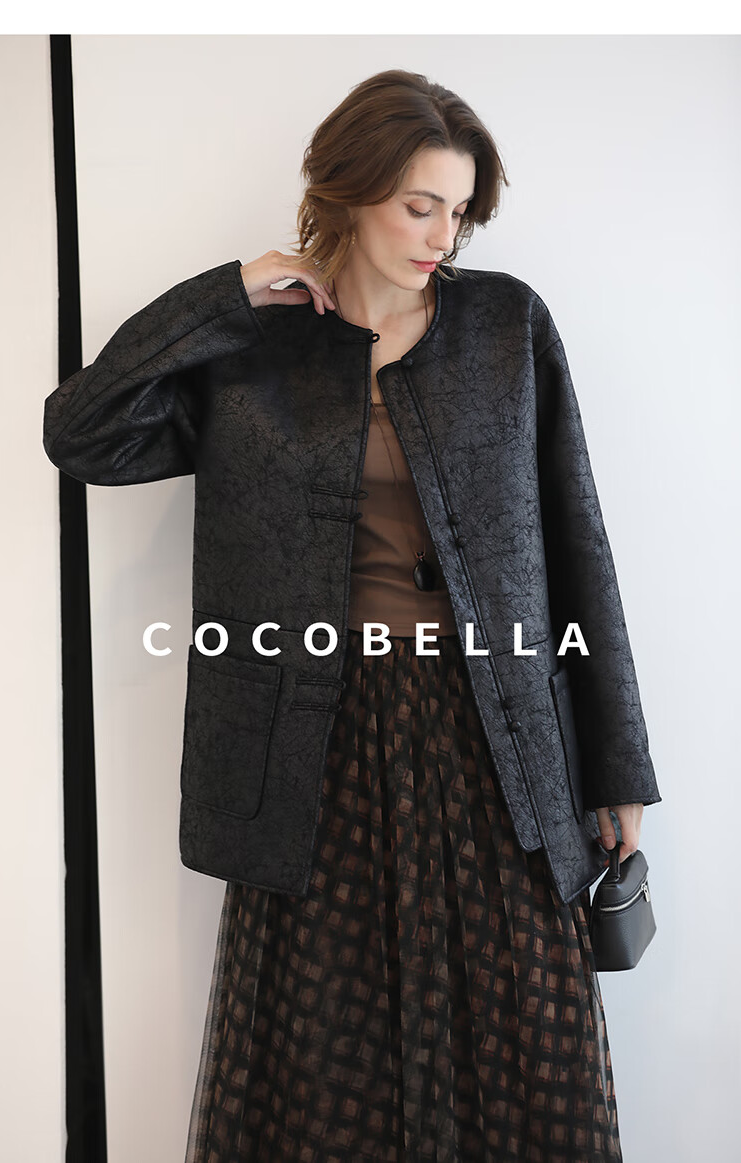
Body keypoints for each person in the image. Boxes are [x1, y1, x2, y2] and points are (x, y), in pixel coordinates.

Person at [43, 69, 661, 1162]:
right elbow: (83, 434)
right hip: (311, 746)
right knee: (329, 1049)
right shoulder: (254, 350)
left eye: (458, 212)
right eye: (420, 206)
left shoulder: (506, 327)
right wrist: (228, 293)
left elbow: (579, 542)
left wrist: (617, 764)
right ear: (350, 189)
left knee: (528, 1041)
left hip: (495, 739)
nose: (442, 236)